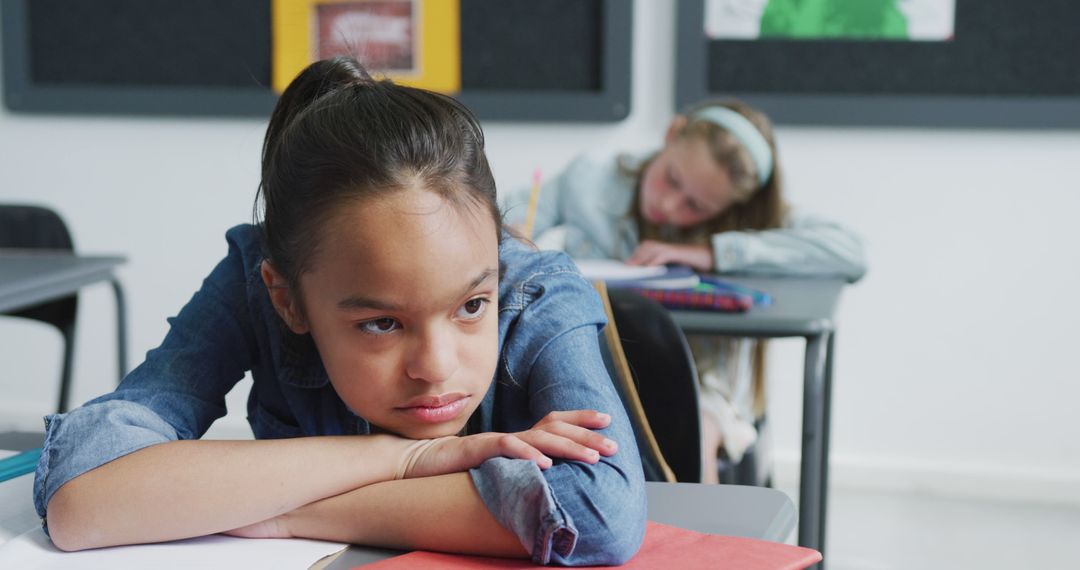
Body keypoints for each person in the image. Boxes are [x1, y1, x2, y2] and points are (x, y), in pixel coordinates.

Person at [33, 57, 645, 566]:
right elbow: (84, 495)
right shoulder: (260, 279)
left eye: (471, 306)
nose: (435, 368)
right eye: (381, 323)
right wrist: (405, 459)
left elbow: (598, 517)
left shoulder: (535, 292)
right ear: (287, 298)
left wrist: (287, 511)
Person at [503, 100, 866, 484]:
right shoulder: (590, 177)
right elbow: (500, 223)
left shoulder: (746, 219)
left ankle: (699, 542)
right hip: (598, 362)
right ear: (672, 135)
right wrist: (519, 250)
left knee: (699, 431)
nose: (669, 205)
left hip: (703, 378)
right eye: (671, 179)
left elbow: (852, 251)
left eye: (696, 206)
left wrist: (713, 252)